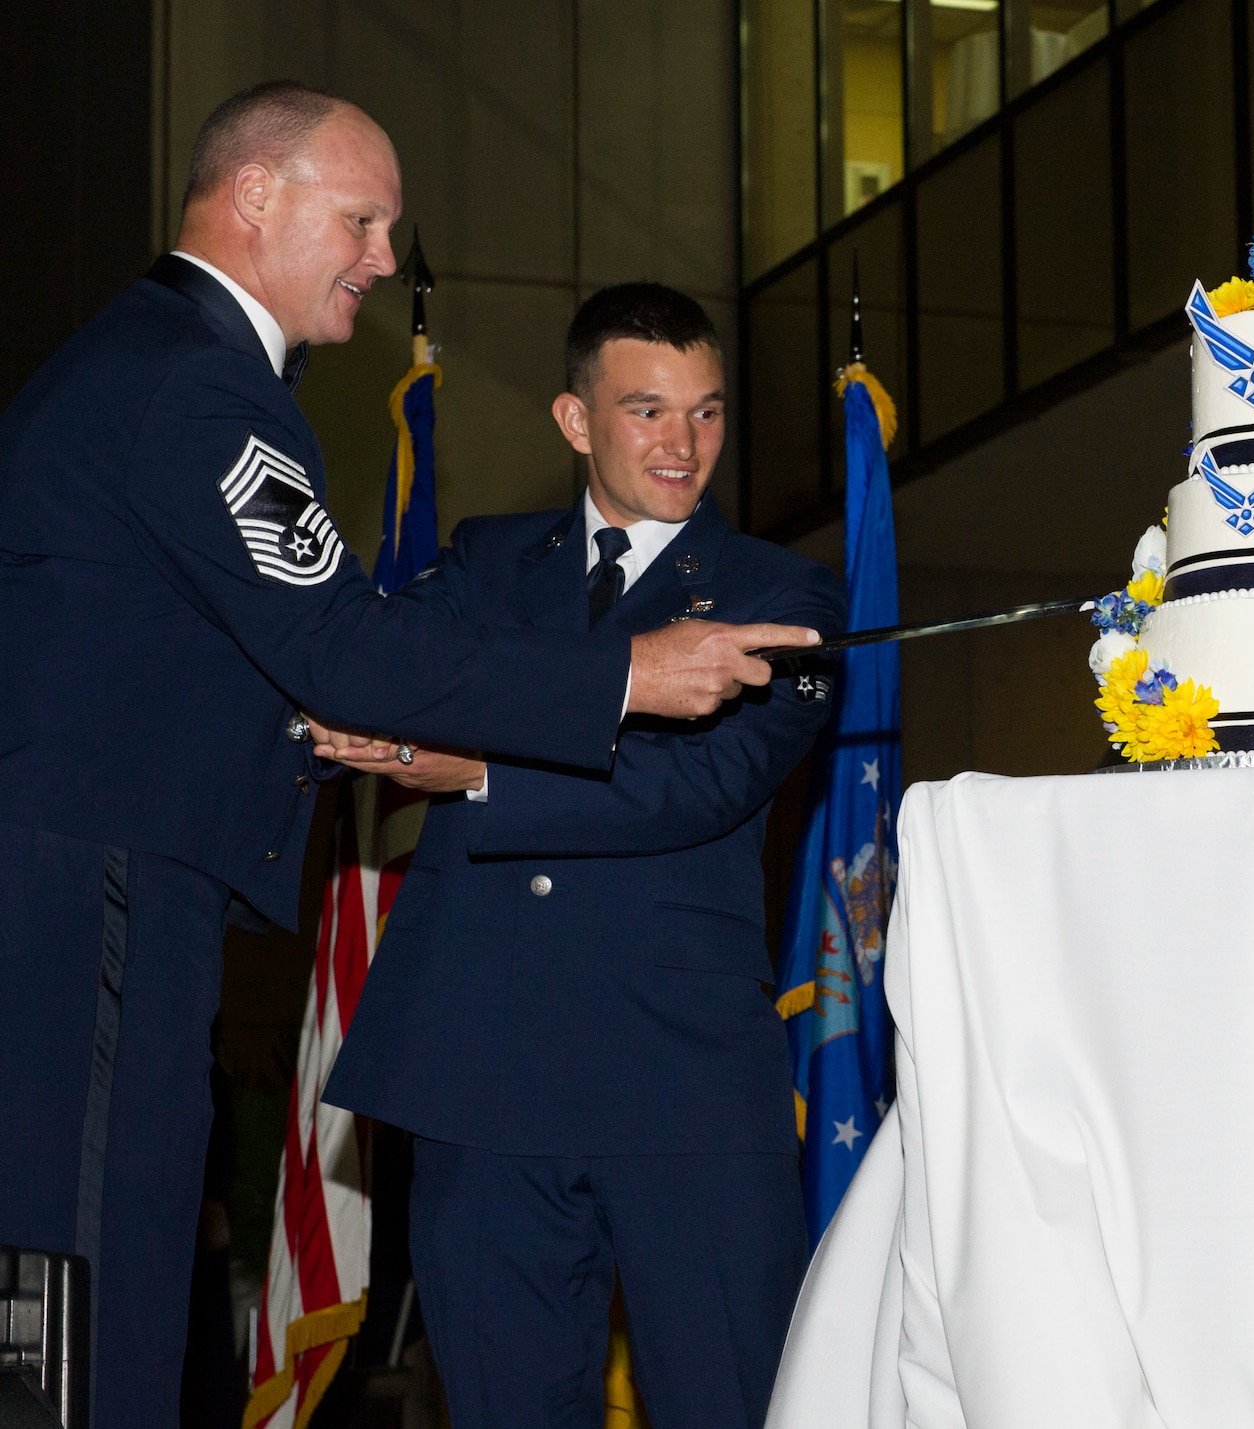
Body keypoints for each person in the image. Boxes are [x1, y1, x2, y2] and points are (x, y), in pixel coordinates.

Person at [0, 83, 820, 1426]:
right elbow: (342, 642)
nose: (384, 259)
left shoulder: (148, 363)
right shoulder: (199, 386)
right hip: (102, 882)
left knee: (95, 1272)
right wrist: (626, 674)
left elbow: (286, 661)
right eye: (363, 220)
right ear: (256, 197)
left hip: (113, 875)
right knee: (89, 1282)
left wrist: (383, 735)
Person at [319, 283, 841, 1429]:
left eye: (705, 411)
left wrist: (481, 765)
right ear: (574, 419)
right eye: (647, 410)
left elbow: (699, 783)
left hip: (682, 1084)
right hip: (482, 1077)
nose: (682, 443)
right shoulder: (485, 562)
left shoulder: (780, 593)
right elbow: (382, 677)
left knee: (731, 1401)